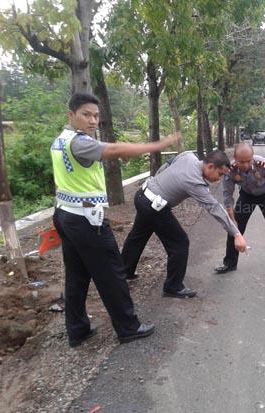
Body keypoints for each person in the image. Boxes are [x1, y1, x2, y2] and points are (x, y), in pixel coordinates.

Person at [52, 92, 177, 347]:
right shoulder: (79, 142)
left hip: (65, 215)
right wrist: (156, 146)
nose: (93, 120)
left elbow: (102, 157)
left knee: (76, 276)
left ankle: (77, 330)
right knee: (112, 273)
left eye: (96, 115)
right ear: (71, 115)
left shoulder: (61, 140)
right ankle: (128, 327)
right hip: (86, 220)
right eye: (86, 115)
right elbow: (114, 148)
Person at [121, 150, 249, 298]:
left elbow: (167, 165)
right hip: (154, 207)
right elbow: (214, 208)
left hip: (142, 195)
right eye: (220, 174)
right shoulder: (195, 182)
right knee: (179, 243)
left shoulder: (188, 156)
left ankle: (124, 271)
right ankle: (173, 287)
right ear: (211, 166)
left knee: (138, 236)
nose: (219, 179)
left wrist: (159, 182)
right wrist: (237, 234)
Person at [214, 143, 265, 282]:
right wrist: (232, 218)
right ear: (235, 158)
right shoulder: (230, 170)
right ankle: (229, 263)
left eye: (248, 160)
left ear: (252, 157)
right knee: (235, 228)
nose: (245, 164)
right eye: (241, 161)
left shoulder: (263, 164)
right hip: (247, 195)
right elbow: (228, 195)